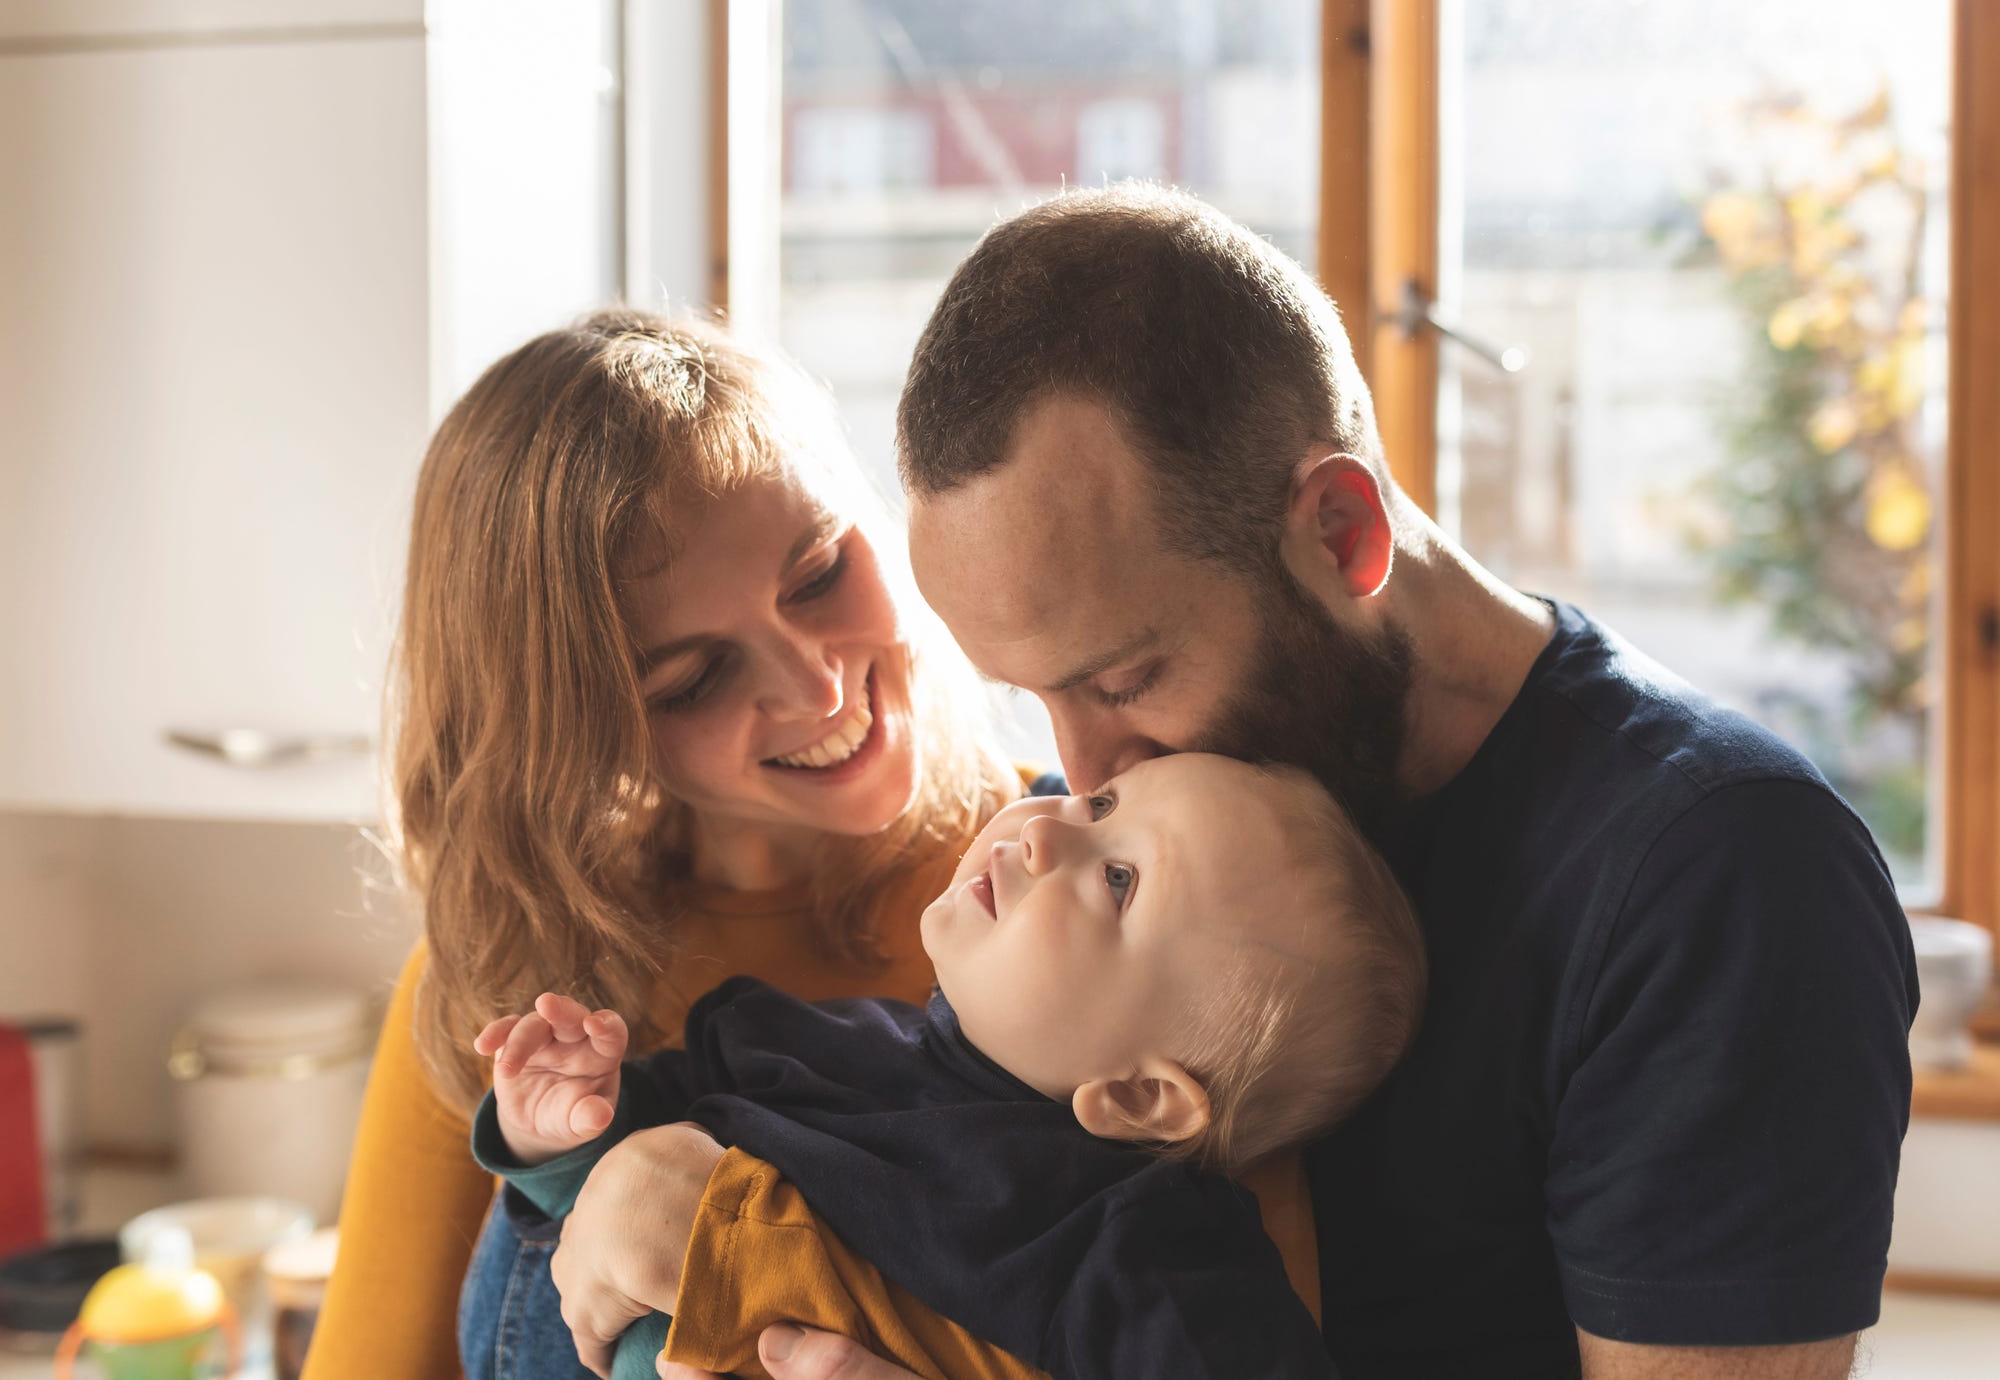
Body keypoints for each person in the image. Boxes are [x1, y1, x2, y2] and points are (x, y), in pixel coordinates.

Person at [558, 186, 1916, 1380]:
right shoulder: (1095, 845)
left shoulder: (1716, 878)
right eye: (1034, 699)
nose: (1069, 772)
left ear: (1342, 529)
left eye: (1125, 677)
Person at [302, 311, 1038, 1379]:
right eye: (693, 680)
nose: (814, 686)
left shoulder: (1102, 889)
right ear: (577, 730)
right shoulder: (500, 997)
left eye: (820, 571)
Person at [470, 754, 1424, 1380]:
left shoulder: (1134, 1244)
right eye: (1102, 801)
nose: (1048, 823)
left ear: (1140, 1095)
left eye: (1118, 878)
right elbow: (598, 1209)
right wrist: (560, 1121)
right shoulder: (813, 1042)